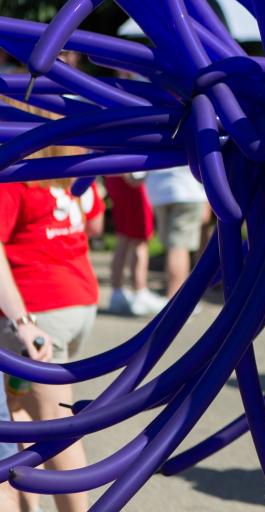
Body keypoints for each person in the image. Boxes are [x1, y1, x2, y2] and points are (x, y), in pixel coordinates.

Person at [0, 100, 103, 512]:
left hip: (35, 313)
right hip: (76, 303)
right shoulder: (74, 174)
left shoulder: (14, 177)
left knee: (56, 428)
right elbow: (95, 224)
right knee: (22, 417)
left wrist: (23, 321)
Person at [104, 173, 167, 315]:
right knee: (140, 240)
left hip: (115, 177)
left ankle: (117, 291)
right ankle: (140, 291)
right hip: (131, 178)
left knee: (124, 238)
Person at [145, 166, 209, 299]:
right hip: (187, 188)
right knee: (179, 248)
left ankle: (172, 296)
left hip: (158, 188)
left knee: (172, 247)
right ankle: (175, 298)